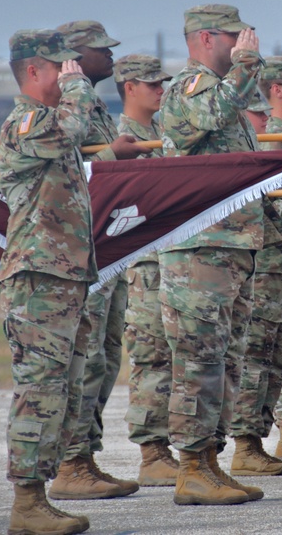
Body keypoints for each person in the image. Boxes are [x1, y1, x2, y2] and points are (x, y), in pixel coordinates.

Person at [0, 29, 145, 535]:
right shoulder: (26, 122)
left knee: (61, 390)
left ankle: (43, 489)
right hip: (38, 279)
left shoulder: (46, 126)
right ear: (33, 71)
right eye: (60, 67)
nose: (71, 74)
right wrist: (82, 91)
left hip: (65, 277)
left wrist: (111, 158)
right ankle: (26, 501)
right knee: (38, 390)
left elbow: (64, 169)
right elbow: (68, 134)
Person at [157, 4, 265, 505]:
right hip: (199, 252)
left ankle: (210, 463)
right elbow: (208, 117)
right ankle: (190, 469)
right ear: (205, 38)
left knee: (225, 362)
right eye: (233, 37)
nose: (243, 44)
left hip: (230, 250)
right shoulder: (189, 89)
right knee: (198, 361)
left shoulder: (225, 96)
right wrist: (246, 67)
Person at [48, 20, 140, 500]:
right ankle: (69, 461)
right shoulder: (62, 107)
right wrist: (112, 154)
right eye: (100, 51)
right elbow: (61, 162)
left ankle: (85, 454)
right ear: (73, 57)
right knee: (81, 360)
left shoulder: (95, 105)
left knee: (104, 357)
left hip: (105, 246)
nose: (110, 58)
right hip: (77, 252)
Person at [229, 58, 282, 476]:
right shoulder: (256, 144)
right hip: (263, 267)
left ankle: (257, 440)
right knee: (256, 356)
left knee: (275, 358)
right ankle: (245, 444)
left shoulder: (278, 140)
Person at [112, 54, 180, 486]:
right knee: (152, 355)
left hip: (170, 256)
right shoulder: (120, 139)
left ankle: (165, 446)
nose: (161, 90)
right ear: (128, 87)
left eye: (163, 83)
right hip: (144, 263)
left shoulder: (163, 133)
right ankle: (151, 451)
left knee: (171, 357)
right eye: (151, 83)